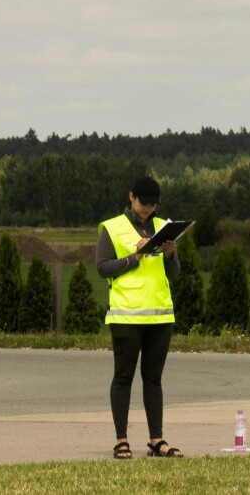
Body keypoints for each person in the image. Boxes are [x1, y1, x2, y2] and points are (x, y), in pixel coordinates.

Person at [96, 175, 183, 459]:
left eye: (153, 205)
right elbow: (102, 268)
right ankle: (121, 440)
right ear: (131, 197)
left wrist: (171, 255)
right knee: (123, 378)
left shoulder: (162, 228)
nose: (148, 209)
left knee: (153, 379)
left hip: (160, 316)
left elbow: (173, 274)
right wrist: (135, 257)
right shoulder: (112, 228)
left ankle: (156, 439)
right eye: (144, 203)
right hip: (126, 317)